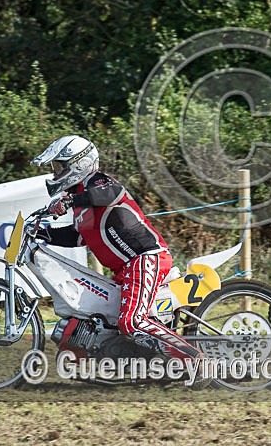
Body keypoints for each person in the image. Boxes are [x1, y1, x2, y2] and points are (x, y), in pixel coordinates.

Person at [30, 135, 205, 364]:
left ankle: (195, 360)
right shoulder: (82, 204)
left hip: (145, 258)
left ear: (79, 163)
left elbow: (109, 194)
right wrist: (42, 233)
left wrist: (71, 201)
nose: (56, 174)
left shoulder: (98, 182)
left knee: (132, 322)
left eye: (60, 167)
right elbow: (78, 236)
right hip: (126, 269)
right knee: (109, 320)